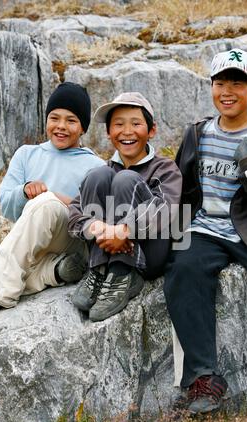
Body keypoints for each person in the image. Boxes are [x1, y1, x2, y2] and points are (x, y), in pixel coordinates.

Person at [163, 48, 247, 416]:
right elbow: (179, 187)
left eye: (238, 83)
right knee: (182, 269)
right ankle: (205, 379)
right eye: (220, 83)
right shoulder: (197, 133)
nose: (227, 91)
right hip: (204, 228)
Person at [0, 81, 105, 316]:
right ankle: (54, 271)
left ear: (83, 127)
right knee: (15, 256)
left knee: (45, 203)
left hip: (71, 238)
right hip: (31, 245)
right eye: (55, 118)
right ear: (47, 119)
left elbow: (96, 218)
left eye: (71, 120)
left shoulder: (97, 166)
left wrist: (55, 198)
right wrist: (24, 190)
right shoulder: (26, 154)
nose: (61, 126)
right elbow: (7, 209)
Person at [68, 92, 182, 322]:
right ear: (109, 132)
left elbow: (165, 207)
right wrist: (96, 226)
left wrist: (124, 230)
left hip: (150, 252)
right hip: (105, 247)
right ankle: (99, 271)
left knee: (125, 179)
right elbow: (74, 211)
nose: (127, 131)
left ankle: (123, 275)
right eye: (118, 124)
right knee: (99, 175)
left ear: (151, 130)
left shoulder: (165, 169)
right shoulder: (104, 169)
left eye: (136, 124)